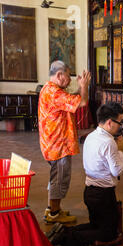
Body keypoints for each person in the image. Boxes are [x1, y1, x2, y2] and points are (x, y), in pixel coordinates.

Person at [47, 102, 123, 246]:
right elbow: (117, 171)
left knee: (96, 225)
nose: (121, 126)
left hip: (90, 192)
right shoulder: (109, 142)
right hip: (103, 194)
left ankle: (63, 231)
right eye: (120, 122)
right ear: (110, 122)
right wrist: (120, 150)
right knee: (108, 233)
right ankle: (65, 238)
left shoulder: (91, 136)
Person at [39, 60, 91, 224]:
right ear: (60, 75)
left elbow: (71, 99)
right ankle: (54, 213)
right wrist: (85, 86)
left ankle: (52, 208)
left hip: (53, 143)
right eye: (69, 76)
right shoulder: (54, 93)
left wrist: (81, 87)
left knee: (56, 177)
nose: (70, 79)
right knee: (59, 178)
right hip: (58, 145)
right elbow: (82, 102)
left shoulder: (50, 89)